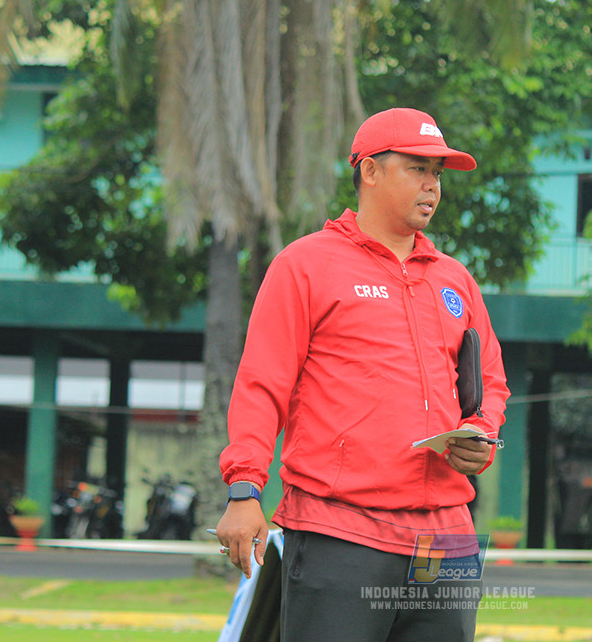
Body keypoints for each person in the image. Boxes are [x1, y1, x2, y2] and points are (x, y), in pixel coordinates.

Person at [214, 107, 510, 641]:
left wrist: (482, 433)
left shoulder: (455, 279)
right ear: (370, 171)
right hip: (340, 531)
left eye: (438, 173)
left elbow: (490, 381)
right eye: (418, 168)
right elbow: (262, 383)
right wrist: (243, 490)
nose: (432, 186)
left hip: (447, 540)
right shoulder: (306, 264)